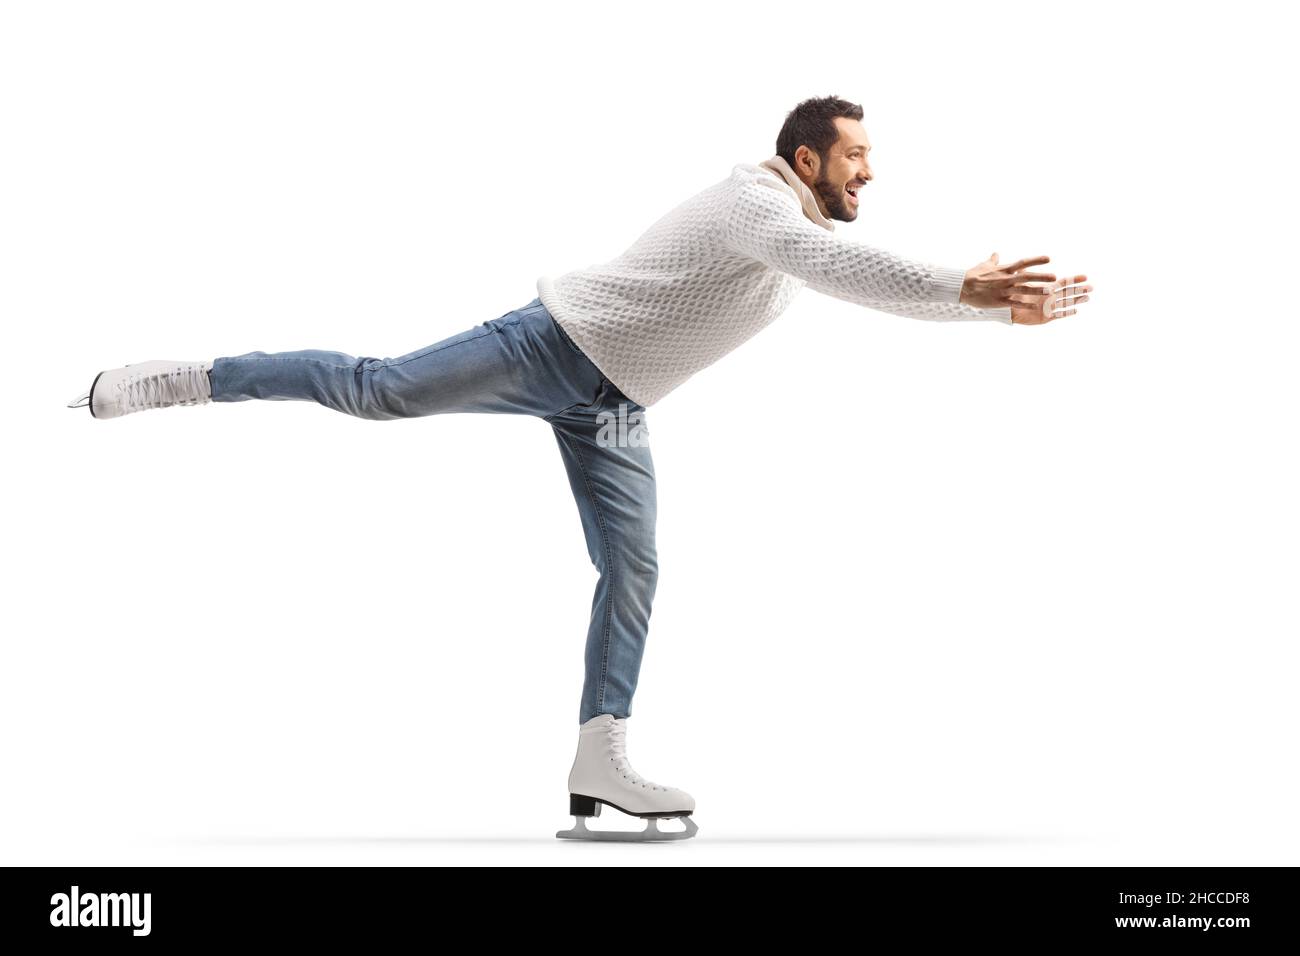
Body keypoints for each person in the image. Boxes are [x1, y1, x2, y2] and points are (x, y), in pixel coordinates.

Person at [66, 94, 1093, 841]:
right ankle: (179, 377)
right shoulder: (757, 202)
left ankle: (599, 758)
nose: (869, 170)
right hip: (547, 344)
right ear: (804, 155)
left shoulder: (794, 235)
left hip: (611, 405)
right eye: (857, 155)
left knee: (635, 566)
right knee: (378, 387)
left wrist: (980, 303)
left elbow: (851, 279)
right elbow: (833, 266)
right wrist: (969, 285)